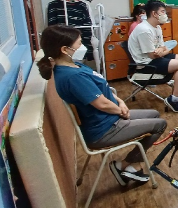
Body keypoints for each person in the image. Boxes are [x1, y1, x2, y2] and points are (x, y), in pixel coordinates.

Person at [37, 25, 167, 185]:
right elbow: (102, 104)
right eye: (79, 43)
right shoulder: (72, 77)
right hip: (104, 129)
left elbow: (102, 90)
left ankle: (127, 165)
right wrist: (120, 111)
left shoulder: (75, 65)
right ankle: (126, 165)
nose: (83, 46)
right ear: (65, 49)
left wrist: (120, 102)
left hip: (109, 116)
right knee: (160, 124)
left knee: (154, 114)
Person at [128, 0, 178, 112]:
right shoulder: (144, 30)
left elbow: (163, 47)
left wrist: (163, 50)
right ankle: (174, 100)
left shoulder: (156, 27)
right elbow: (153, 56)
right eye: (163, 11)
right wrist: (164, 50)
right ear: (154, 13)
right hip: (146, 64)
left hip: (155, 58)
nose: (165, 15)